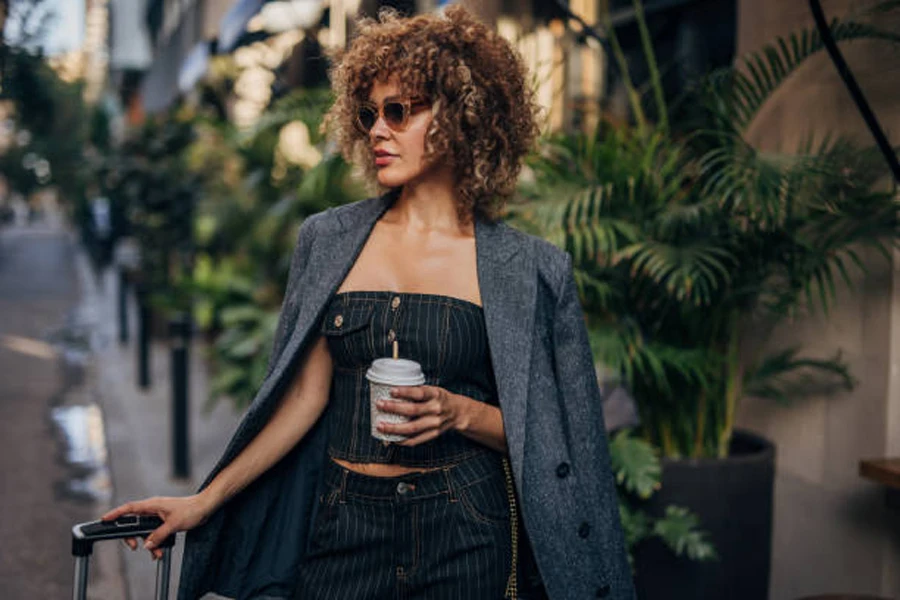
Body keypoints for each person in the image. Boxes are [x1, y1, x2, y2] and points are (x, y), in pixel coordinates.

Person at [101, 6, 634, 600]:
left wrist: (460, 413)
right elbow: (303, 399)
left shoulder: (530, 268)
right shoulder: (328, 239)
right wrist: (205, 499)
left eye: (399, 111)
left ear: (462, 116)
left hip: (468, 530)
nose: (377, 129)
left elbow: (563, 441)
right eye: (369, 113)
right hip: (343, 525)